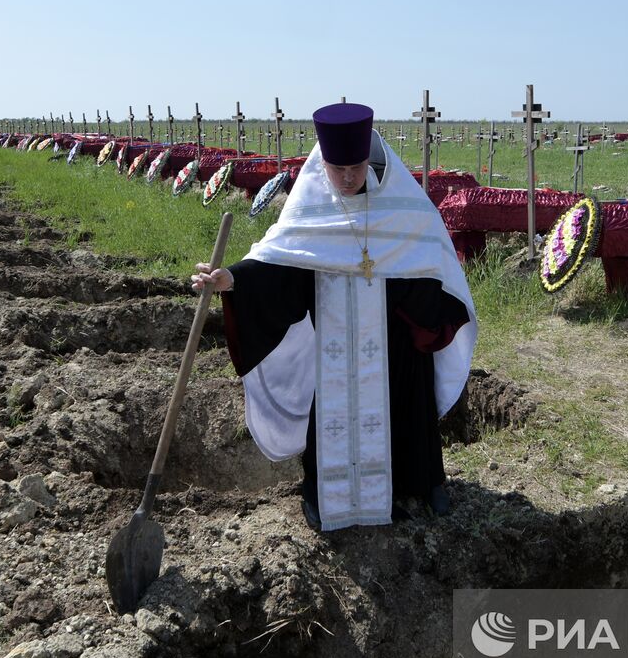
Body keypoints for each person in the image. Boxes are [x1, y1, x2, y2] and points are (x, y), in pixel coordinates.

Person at [191, 103, 477, 532]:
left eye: (356, 167)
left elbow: (433, 263)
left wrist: (406, 287)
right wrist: (232, 280)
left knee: (406, 407)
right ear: (322, 162)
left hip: (395, 337)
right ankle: (320, 493)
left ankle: (423, 482)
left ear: (371, 160)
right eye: (337, 167)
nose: (347, 177)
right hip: (334, 345)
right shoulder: (311, 208)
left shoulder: (402, 205)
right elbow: (279, 265)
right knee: (331, 417)